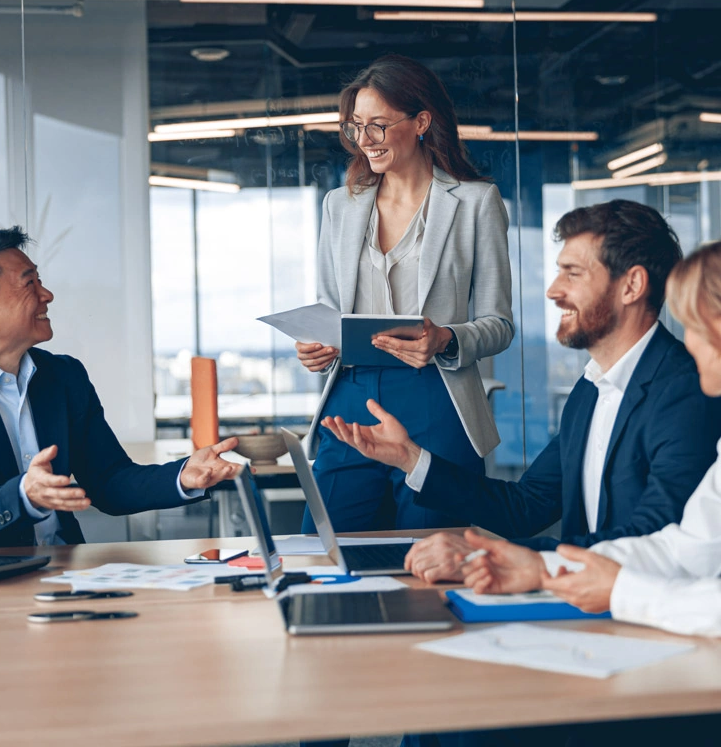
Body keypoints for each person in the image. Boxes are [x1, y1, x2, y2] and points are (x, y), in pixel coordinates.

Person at [323, 200, 721, 578]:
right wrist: (410, 458)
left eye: (573, 273)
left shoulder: (687, 391)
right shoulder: (592, 387)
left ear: (631, 285)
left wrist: (491, 557)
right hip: (587, 602)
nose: (553, 290)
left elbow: (652, 541)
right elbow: (526, 507)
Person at [295, 53, 514, 534]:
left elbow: (499, 324)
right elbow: (329, 309)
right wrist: (317, 346)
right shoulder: (341, 205)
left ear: (421, 122)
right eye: (355, 127)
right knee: (329, 548)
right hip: (350, 396)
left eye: (378, 125)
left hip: (437, 395)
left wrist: (446, 339)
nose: (364, 140)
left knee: (432, 553)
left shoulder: (476, 202)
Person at [458, 239, 721, 638]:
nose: (690, 344)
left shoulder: (679, 390)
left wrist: (620, 590)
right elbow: (685, 548)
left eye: (696, 327)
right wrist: (539, 569)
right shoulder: (588, 390)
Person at [0, 227, 240, 548]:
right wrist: (23, 496)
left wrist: (182, 476)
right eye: (29, 283)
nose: (47, 295)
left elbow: (109, 481)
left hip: (67, 572)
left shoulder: (63, 376)